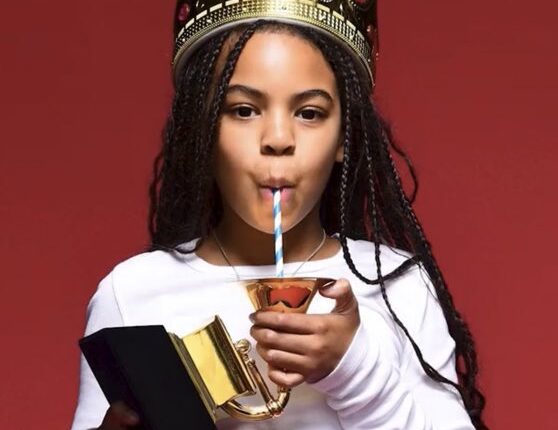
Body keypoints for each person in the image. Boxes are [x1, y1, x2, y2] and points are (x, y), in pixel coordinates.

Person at [71, 1, 488, 429]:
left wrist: (354, 369)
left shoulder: (396, 287)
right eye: (243, 110)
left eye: (309, 113)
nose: (277, 139)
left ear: (343, 136)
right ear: (204, 128)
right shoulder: (131, 293)